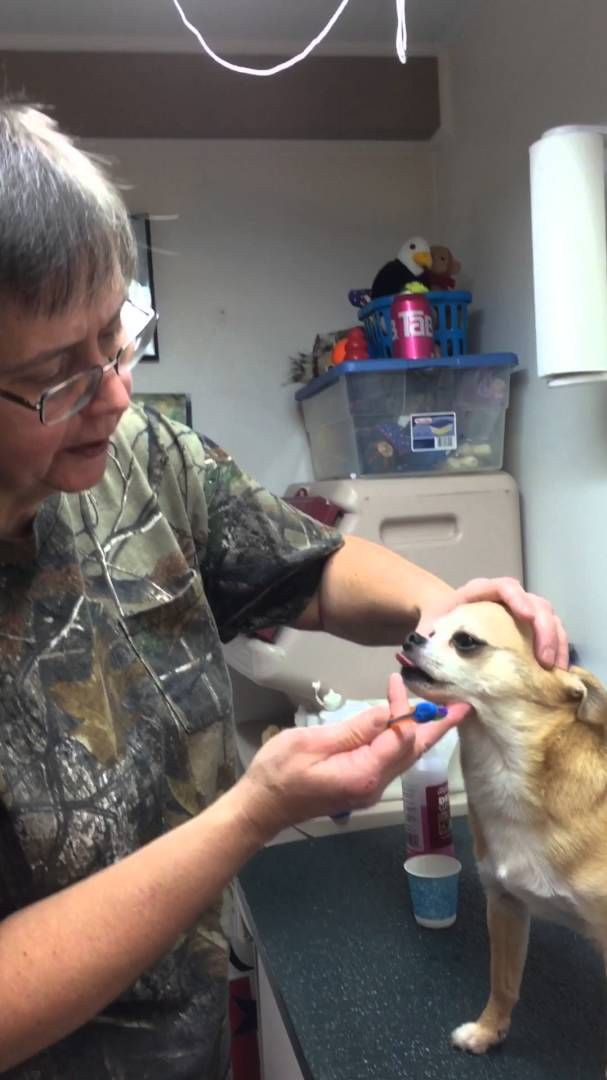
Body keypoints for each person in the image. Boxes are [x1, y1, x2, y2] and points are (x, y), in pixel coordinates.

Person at [0, 101, 568, 1080]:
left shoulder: (140, 459)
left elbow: (306, 564)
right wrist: (250, 814)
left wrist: (445, 615)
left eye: (118, 337)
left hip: (192, 1037)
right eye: (59, 373)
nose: (117, 393)